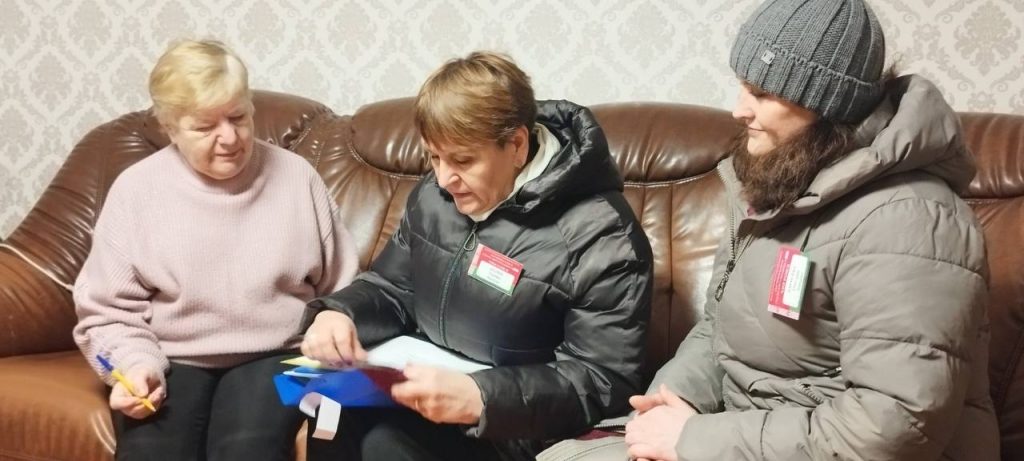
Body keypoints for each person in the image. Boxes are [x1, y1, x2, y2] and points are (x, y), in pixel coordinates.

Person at [539, 0, 999, 460]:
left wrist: (691, 439)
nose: (739, 110)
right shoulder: (783, 187)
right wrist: (674, 398)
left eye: (761, 93)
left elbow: (893, 428)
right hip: (748, 434)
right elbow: (721, 328)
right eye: (742, 86)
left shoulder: (909, 220)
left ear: (825, 105)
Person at [299, 51, 653, 460]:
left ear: (517, 145)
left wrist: (482, 397)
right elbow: (393, 286)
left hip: (515, 427)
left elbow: (602, 379)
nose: (444, 179)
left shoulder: (604, 237)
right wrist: (340, 314)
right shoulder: (435, 196)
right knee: (330, 409)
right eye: (434, 157)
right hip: (425, 387)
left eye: (463, 160)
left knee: (385, 445)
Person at [73, 39, 358, 461]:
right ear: (170, 128)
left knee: (248, 450)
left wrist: (334, 327)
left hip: (281, 354)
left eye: (238, 117)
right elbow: (104, 315)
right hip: (169, 357)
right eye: (205, 128)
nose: (229, 137)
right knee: (151, 453)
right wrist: (131, 367)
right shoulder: (136, 191)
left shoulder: (298, 178)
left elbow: (344, 292)